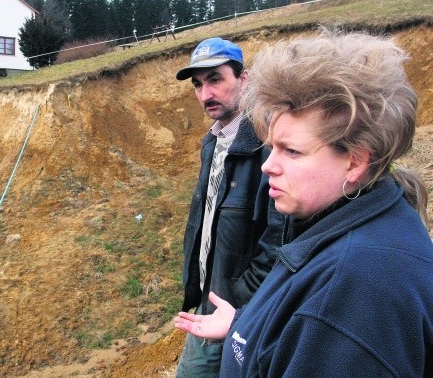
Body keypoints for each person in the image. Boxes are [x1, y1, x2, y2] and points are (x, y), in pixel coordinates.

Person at [174, 28, 433, 376]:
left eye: (292, 151)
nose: (268, 165)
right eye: (272, 147)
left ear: (355, 161)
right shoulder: (349, 226)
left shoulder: (355, 292)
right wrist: (244, 323)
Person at [174, 37, 284, 376]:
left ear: (244, 79)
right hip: (212, 294)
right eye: (198, 84)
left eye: (216, 79)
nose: (205, 94)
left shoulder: (266, 145)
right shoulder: (214, 140)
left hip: (235, 303)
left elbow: (279, 239)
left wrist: (238, 298)